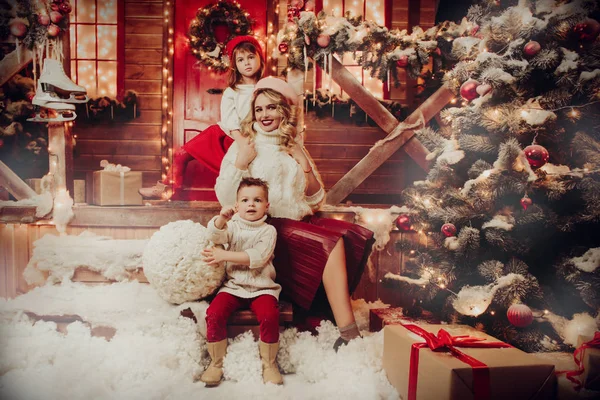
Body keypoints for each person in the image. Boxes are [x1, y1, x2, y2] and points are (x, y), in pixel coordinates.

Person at [215, 77, 375, 351]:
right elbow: (225, 197)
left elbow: (314, 199)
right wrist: (241, 162)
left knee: (353, 235)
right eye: (259, 109)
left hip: (298, 223)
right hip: (266, 229)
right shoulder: (245, 146)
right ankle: (349, 335)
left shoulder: (292, 144)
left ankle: (335, 317)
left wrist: (303, 162)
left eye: (271, 108)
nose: (264, 115)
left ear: (283, 111)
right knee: (331, 244)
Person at [139, 35, 264, 198]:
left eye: (251, 57)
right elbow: (230, 119)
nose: (247, 63)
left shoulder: (266, 87)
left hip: (252, 140)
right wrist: (240, 141)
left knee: (244, 176)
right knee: (181, 154)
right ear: (235, 65)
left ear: (260, 58)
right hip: (225, 136)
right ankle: (166, 189)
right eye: (240, 60)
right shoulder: (232, 91)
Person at [200, 177, 283, 387]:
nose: (251, 204)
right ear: (237, 206)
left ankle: (269, 364)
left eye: (257, 200)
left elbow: (257, 256)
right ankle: (216, 363)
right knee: (214, 313)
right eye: (245, 200)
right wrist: (221, 219)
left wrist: (224, 256)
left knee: (269, 316)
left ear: (267, 205)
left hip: (262, 287)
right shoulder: (233, 226)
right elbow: (215, 237)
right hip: (234, 286)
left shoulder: (268, 231)